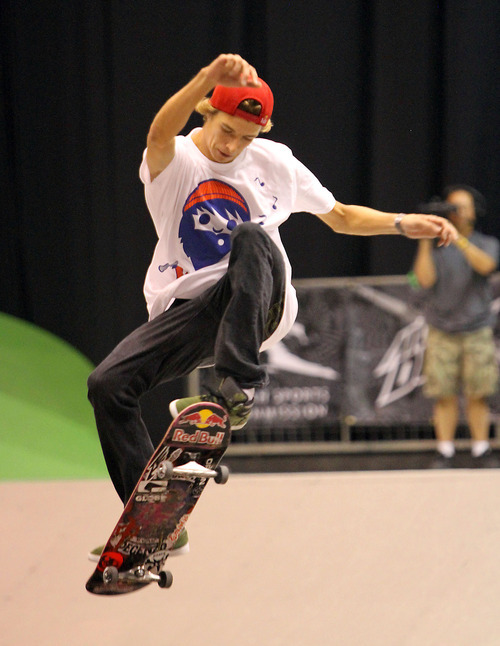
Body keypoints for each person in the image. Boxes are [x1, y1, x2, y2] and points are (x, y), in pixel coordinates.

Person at [87, 53, 457, 558]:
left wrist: (400, 223)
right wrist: (204, 77)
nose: (232, 145)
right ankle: (153, 520)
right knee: (107, 385)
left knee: (252, 237)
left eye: (245, 136)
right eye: (225, 130)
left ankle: (237, 386)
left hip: (263, 299)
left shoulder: (275, 161)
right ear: (205, 111)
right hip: (194, 311)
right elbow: (156, 135)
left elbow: (342, 216)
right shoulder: (176, 159)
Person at [412, 185, 499, 468]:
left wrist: (459, 238)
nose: (458, 213)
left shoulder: (486, 242)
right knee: (443, 394)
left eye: (463, 207)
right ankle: (445, 450)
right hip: (442, 330)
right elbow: (423, 279)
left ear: (475, 211)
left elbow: (486, 266)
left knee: (478, 393)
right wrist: (426, 238)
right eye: (453, 207)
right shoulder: (437, 246)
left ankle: (480, 449)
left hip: (477, 329)